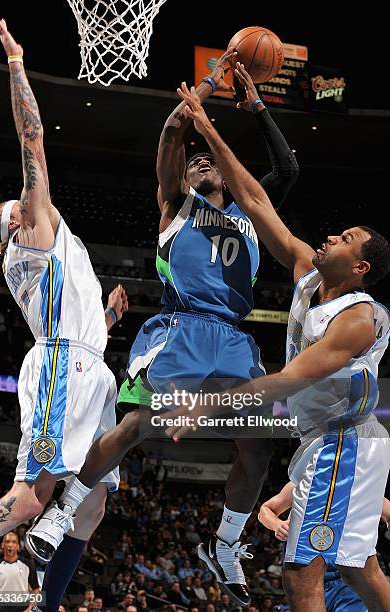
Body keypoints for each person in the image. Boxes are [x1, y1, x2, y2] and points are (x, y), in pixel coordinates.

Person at [27, 50, 299, 608]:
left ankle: (224, 545)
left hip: (234, 338)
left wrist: (253, 103)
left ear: (228, 174)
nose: (200, 161)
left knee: (259, 449)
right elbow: (176, 126)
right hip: (182, 329)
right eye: (194, 159)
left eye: (209, 160)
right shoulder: (176, 202)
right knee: (138, 426)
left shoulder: (250, 211)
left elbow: (288, 169)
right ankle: (62, 514)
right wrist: (211, 81)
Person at [162, 72, 390, 611]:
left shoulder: (358, 318)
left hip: (344, 442)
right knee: (358, 571)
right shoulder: (308, 270)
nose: (333, 234)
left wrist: (208, 405)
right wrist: (216, 124)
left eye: (348, 237)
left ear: (359, 266)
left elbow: (290, 379)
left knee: (299, 571)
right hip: (333, 443)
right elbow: (257, 197)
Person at [0, 13, 127, 610]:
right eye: (8, 205)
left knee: (90, 506)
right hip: (61, 369)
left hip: (84, 360)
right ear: (7, 231)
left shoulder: (44, 248)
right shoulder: (31, 236)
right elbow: (33, 141)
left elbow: (65, 308)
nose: (20, 200)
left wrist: (105, 323)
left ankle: (47, 605)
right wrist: (16, 63)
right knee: (29, 499)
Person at [259, 484, 390, 611]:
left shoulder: (361, 485)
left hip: (347, 579)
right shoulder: (303, 481)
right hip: (307, 580)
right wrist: (277, 524)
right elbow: (266, 510)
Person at [0, 532, 39, 612]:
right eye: (7, 541)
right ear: (2, 545)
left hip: (23, 608)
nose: (10, 545)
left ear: (18, 546)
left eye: (14, 542)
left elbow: (35, 589)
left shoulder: (28, 564)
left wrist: (30, 608)